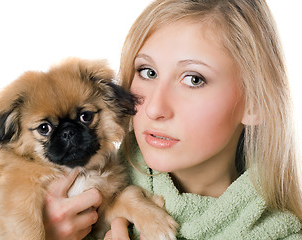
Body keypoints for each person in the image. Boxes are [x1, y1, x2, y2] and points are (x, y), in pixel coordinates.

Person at [44, 0, 302, 239]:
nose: (155, 108)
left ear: (255, 104)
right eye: (148, 72)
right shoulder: (59, 198)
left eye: (194, 79)